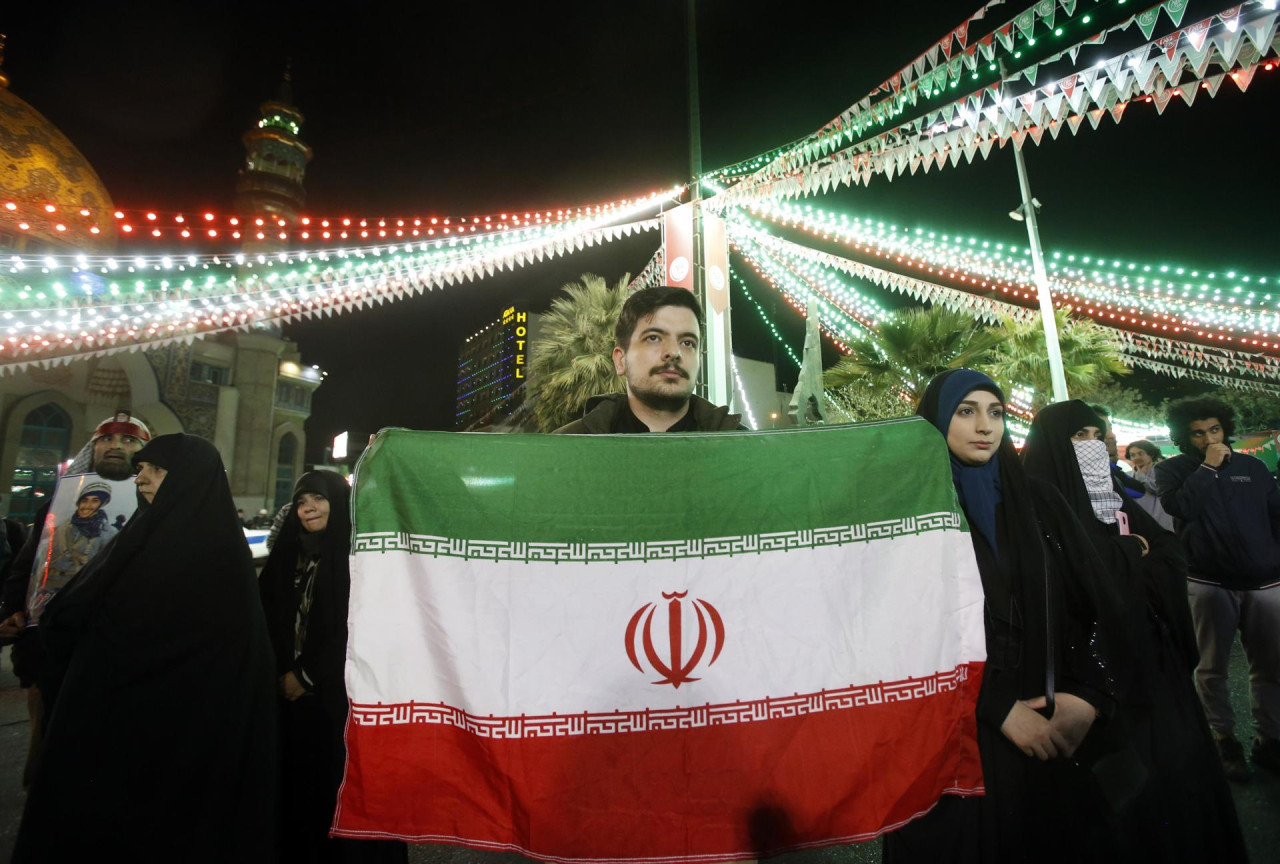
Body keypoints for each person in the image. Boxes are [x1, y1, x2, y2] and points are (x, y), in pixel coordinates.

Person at [882, 370, 1125, 864]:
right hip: (952, 735)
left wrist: (1089, 697)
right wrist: (994, 706)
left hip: (1046, 722)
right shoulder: (906, 510)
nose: (984, 426)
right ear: (935, 421)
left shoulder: (1038, 503)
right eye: (965, 411)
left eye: (995, 412)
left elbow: (1089, 604)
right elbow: (896, 633)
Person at [12, 434, 276, 861]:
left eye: (156, 470)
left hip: (177, 730)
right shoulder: (141, 532)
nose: (142, 480)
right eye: (140, 471)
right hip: (117, 720)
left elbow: (210, 647)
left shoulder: (215, 553)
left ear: (188, 478)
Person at [1022, 401, 1246, 862]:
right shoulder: (1036, 500)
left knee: (1177, 774)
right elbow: (1062, 578)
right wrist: (1127, 555)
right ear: (1053, 444)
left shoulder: (1115, 495)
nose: (1092, 444)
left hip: (1154, 657)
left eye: (1097, 433)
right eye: (1078, 436)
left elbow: (1166, 549)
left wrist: (1131, 556)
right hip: (1092, 673)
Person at [259, 471, 406, 863]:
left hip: (339, 702)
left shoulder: (358, 558)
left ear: (338, 504)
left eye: (319, 499)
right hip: (289, 702)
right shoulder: (288, 554)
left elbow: (356, 624)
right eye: (302, 500)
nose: (309, 507)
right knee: (299, 793)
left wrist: (306, 676)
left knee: (341, 792)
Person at [0, 410, 150, 788]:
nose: (116, 445)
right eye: (107, 439)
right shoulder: (58, 504)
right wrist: (14, 611)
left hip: (117, 644)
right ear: (93, 446)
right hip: (49, 642)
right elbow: (28, 565)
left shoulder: (154, 506)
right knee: (45, 748)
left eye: (129, 440)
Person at [1156, 396, 1280, 778]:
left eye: (1215, 429)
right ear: (1182, 437)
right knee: (1212, 669)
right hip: (1210, 583)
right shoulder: (1172, 471)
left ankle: (1270, 741)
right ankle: (1224, 738)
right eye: (1198, 433)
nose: (1209, 438)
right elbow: (1182, 508)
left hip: (1265, 582)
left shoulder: (1253, 467)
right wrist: (1208, 470)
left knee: (1271, 667)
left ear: (1225, 428)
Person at [554, 285, 742, 433]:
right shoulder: (564, 449)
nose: (674, 352)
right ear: (620, 360)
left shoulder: (744, 449)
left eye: (687, 342)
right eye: (653, 338)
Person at [1125, 439, 1174, 530]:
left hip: (1162, 520)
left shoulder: (1162, 471)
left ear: (1151, 454)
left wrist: (1142, 477)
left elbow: (1160, 489)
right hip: (1140, 521)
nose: (1136, 457)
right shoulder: (1128, 475)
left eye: (1141, 453)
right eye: (1132, 455)